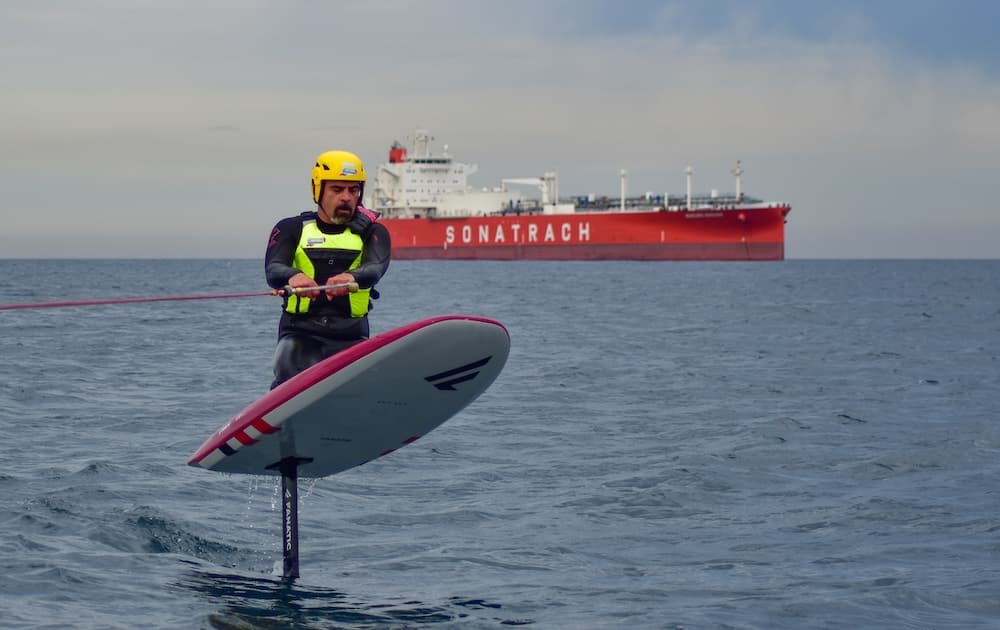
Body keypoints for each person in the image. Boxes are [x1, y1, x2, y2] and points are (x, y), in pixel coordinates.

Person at [264, 149, 391, 388]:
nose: (346, 197)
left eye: (353, 190)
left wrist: (350, 277)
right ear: (318, 190)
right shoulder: (291, 228)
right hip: (300, 334)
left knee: (363, 383)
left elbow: (375, 268)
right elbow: (273, 269)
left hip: (352, 336)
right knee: (288, 363)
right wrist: (294, 276)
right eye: (337, 189)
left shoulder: (374, 233)